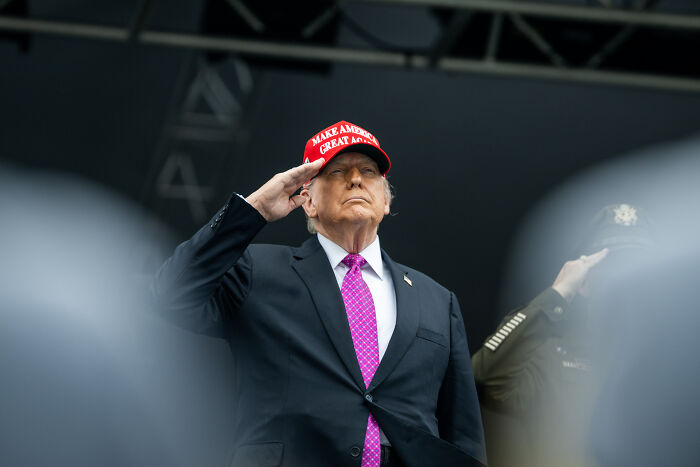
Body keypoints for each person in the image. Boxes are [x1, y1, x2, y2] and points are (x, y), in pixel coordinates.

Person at [152, 121, 487, 467]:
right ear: (307, 200)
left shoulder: (436, 300)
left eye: (369, 171)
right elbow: (171, 295)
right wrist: (255, 210)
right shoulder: (257, 270)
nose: (355, 179)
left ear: (385, 200)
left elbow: (463, 437)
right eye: (337, 171)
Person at [472, 203, 653, 467]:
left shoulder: (677, 359)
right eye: (613, 269)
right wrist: (555, 296)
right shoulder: (550, 354)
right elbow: (485, 376)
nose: (628, 282)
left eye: (640, 269)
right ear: (585, 283)